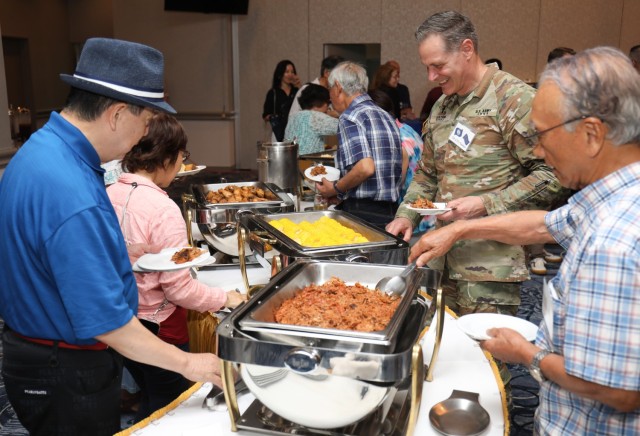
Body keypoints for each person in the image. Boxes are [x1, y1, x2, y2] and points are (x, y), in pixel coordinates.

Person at [409, 46, 640, 434]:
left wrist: (528, 356)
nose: (535, 149)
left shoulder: (613, 242)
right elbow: (544, 224)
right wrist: (459, 228)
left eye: (540, 134)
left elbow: (618, 392)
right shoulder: (610, 199)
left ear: (591, 134)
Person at [0, 38, 223, 435]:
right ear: (118, 113)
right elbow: (107, 321)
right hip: (64, 369)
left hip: (35, 351)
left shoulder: (43, 149)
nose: (141, 138)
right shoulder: (68, 189)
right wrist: (190, 363)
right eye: (145, 123)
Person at [386, 11, 568, 317]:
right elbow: (427, 174)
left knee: (487, 362)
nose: (431, 77)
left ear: (467, 49)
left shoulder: (513, 99)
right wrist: (407, 216)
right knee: (443, 355)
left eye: (438, 66)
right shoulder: (443, 107)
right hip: (440, 260)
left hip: (490, 268)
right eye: (427, 67)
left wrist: (486, 203)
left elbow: (554, 174)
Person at [106, 112, 246, 422]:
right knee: (170, 409)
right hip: (160, 326)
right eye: (183, 156)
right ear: (168, 156)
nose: (183, 163)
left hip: (122, 320)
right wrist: (226, 298)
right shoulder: (163, 209)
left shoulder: (110, 193)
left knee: (148, 394)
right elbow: (179, 289)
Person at [315, 61, 403, 229]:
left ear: (338, 88)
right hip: (390, 212)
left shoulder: (350, 117)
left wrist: (335, 189)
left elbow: (365, 168)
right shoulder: (385, 115)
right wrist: (344, 194)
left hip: (362, 212)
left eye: (330, 90)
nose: (330, 97)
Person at [369, 89, 432, 234]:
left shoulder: (397, 139)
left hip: (414, 218)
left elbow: (396, 183)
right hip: (422, 212)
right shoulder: (405, 128)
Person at [284, 84, 339, 155]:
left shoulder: (293, 116)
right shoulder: (315, 116)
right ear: (323, 103)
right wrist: (338, 113)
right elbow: (344, 126)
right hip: (308, 163)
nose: (328, 108)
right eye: (328, 103)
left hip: (289, 162)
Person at [288, 54, 344, 119]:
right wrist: (326, 115)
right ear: (326, 73)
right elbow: (293, 117)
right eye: (339, 74)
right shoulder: (308, 89)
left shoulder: (337, 92)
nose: (341, 78)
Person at [262, 59, 301, 142]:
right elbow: (266, 115)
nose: (290, 75)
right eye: (287, 72)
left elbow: (306, 106)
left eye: (292, 72)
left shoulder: (297, 91)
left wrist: (300, 86)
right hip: (278, 133)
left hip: (295, 133)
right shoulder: (273, 93)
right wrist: (275, 117)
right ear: (280, 74)